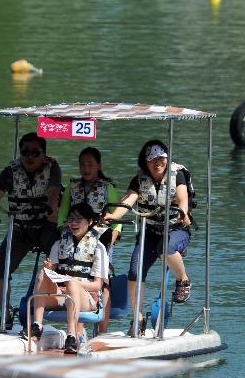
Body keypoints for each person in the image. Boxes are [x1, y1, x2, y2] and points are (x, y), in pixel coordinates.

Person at [0, 132, 61, 330]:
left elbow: (54, 192)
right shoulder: (10, 171)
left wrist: (53, 210)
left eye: (35, 153)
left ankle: (60, 306)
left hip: (46, 225)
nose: (30, 157)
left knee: (60, 262)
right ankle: (5, 314)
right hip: (20, 227)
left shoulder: (52, 167)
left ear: (44, 155)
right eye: (25, 152)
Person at [102, 139, 192, 336]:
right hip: (150, 230)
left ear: (167, 159)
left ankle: (183, 280)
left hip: (176, 229)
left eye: (161, 158)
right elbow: (128, 201)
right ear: (145, 162)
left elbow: (183, 199)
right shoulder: (139, 180)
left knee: (164, 249)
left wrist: (184, 213)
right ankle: (138, 319)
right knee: (135, 272)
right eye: (152, 160)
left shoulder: (178, 175)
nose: (157, 163)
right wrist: (112, 216)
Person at [27, 202, 109, 354]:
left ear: (90, 222)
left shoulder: (98, 248)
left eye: (78, 219)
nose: (73, 223)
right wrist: (48, 267)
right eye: (71, 219)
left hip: (87, 298)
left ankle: (71, 336)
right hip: (61, 294)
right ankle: (37, 326)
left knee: (72, 283)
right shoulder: (59, 244)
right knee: (43, 272)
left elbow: (98, 285)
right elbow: (50, 275)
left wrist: (75, 283)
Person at [57, 148, 122, 333]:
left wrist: (112, 239)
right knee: (76, 275)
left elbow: (116, 218)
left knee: (104, 280)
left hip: (101, 238)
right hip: (73, 235)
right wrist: (63, 231)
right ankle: (78, 330)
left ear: (98, 166)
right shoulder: (72, 187)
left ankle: (102, 330)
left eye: (90, 165)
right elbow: (63, 213)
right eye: (82, 165)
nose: (86, 169)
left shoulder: (107, 188)